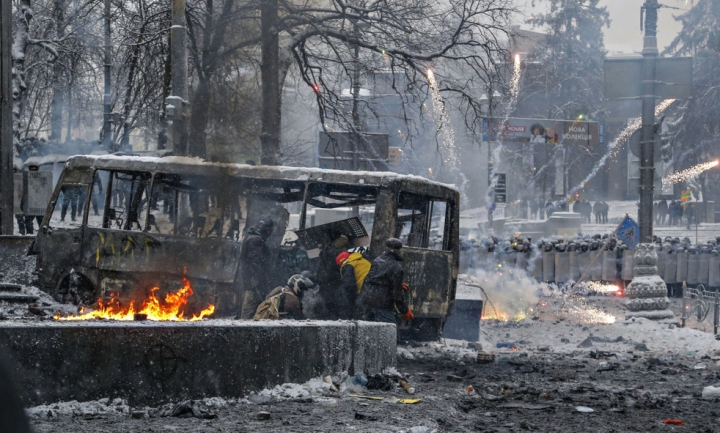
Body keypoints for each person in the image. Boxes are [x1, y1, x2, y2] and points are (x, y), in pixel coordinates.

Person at [356, 238, 413, 333]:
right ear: (398, 251)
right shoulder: (397, 268)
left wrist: (396, 283)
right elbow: (397, 295)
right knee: (391, 335)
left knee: (366, 333)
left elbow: (374, 280)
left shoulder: (377, 260)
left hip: (366, 301)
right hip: (382, 305)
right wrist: (405, 311)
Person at [239, 218, 274, 319]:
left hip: (251, 281)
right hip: (254, 283)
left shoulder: (250, 237)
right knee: (249, 309)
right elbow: (255, 262)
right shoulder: (256, 240)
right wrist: (257, 280)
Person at [337, 250, 372, 320]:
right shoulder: (362, 260)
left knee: (360, 317)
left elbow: (349, 285)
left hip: (365, 290)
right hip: (375, 290)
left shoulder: (347, 264)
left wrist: (351, 299)